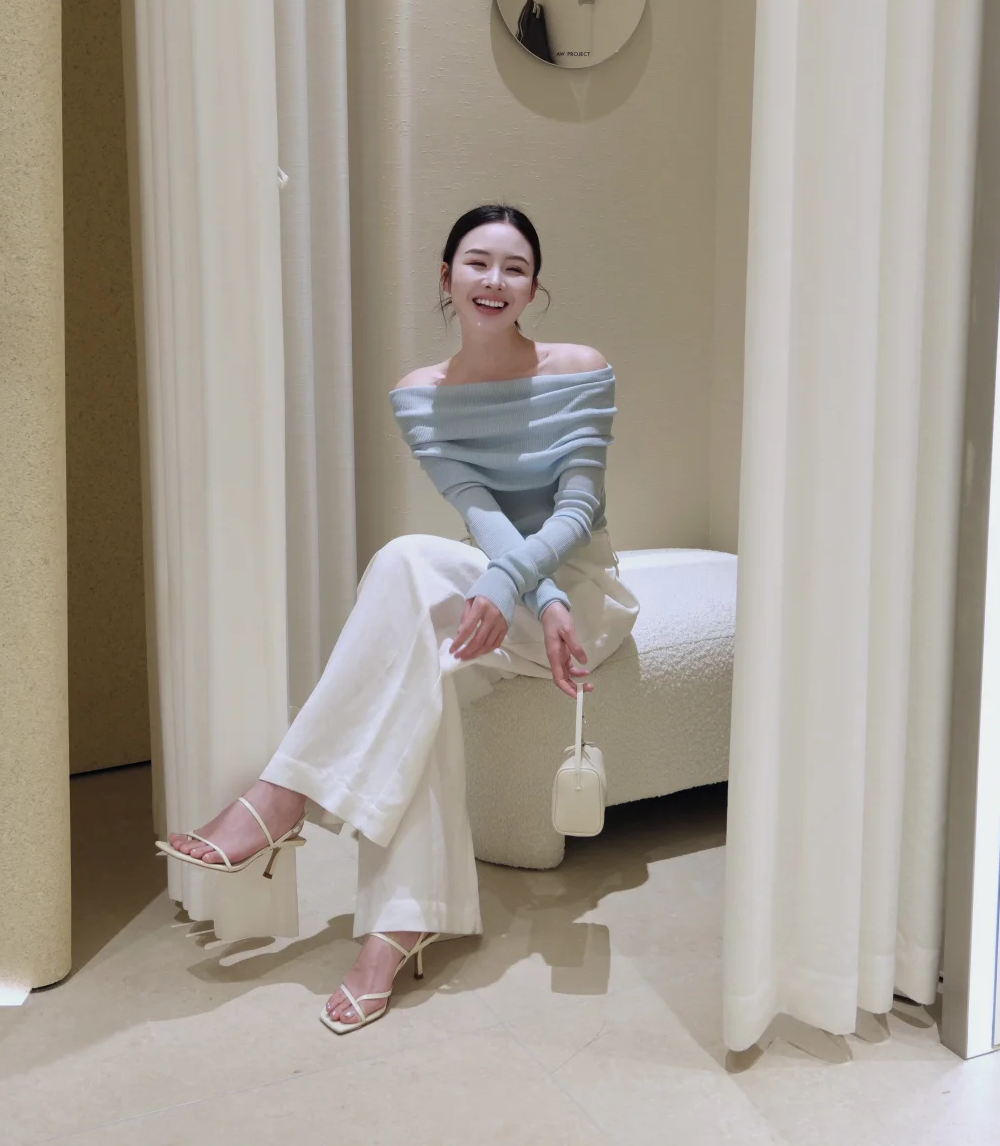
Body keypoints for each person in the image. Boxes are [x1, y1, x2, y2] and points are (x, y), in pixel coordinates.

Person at [156, 202, 640, 1033]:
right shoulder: (420, 395)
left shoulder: (579, 369)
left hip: (582, 594)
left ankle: (282, 798)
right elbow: (480, 511)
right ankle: (393, 930)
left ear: (534, 287)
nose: (495, 280)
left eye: (515, 267)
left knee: (408, 565)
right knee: (410, 597)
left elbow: (576, 508)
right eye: (477, 262)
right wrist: (513, 587)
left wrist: (546, 594)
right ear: (446, 276)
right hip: (506, 586)